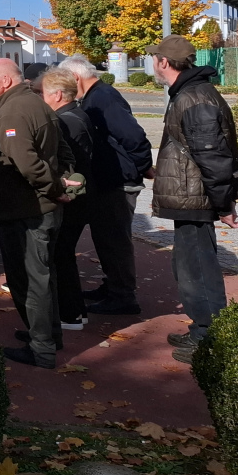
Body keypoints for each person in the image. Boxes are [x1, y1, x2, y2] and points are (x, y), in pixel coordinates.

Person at [147, 35, 238, 364]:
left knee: (197, 268)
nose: (152, 64)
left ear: (164, 62)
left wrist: (224, 205)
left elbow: (213, 156)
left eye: (154, 58)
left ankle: (209, 337)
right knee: (189, 266)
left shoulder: (194, 97)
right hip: (190, 196)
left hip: (195, 198)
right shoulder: (190, 93)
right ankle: (202, 328)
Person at [0, 59, 75, 369]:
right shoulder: (32, 103)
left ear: (5, 81)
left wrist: (55, 188)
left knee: (31, 281)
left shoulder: (15, 111)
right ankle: (47, 334)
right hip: (30, 208)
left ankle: (42, 347)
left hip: (27, 211)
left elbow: (27, 163)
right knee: (43, 277)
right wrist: (62, 183)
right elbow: (63, 152)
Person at [60, 55, 152, 315]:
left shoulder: (103, 97)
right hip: (108, 179)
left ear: (75, 77)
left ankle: (123, 295)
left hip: (118, 181)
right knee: (105, 237)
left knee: (114, 240)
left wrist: (143, 166)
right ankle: (113, 286)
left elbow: (132, 135)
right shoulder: (94, 97)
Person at [36, 67, 95, 331]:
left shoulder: (65, 121)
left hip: (72, 197)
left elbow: (65, 160)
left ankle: (69, 314)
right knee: (64, 254)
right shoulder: (77, 115)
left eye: (42, 93)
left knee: (61, 254)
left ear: (58, 95)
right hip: (79, 195)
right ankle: (75, 311)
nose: (40, 99)